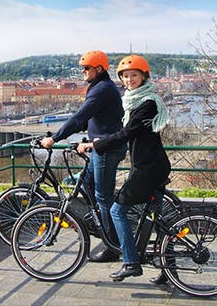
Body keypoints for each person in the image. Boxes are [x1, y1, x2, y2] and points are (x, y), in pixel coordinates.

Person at [77, 55, 171, 283]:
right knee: (156, 218)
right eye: (125, 76)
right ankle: (170, 270)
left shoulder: (147, 103)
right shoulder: (134, 101)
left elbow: (127, 133)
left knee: (117, 210)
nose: (129, 80)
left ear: (144, 76)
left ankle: (130, 262)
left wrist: (95, 144)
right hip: (152, 165)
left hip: (147, 168)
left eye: (134, 75)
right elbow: (123, 129)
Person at [41, 50, 127, 262]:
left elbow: (80, 115)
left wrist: (55, 138)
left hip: (105, 149)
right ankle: (99, 223)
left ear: (98, 69)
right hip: (98, 147)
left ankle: (113, 247)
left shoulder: (102, 89)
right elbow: (85, 120)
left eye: (86, 68)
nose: (83, 72)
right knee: (87, 184)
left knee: (103, 198)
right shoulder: (99, 87)